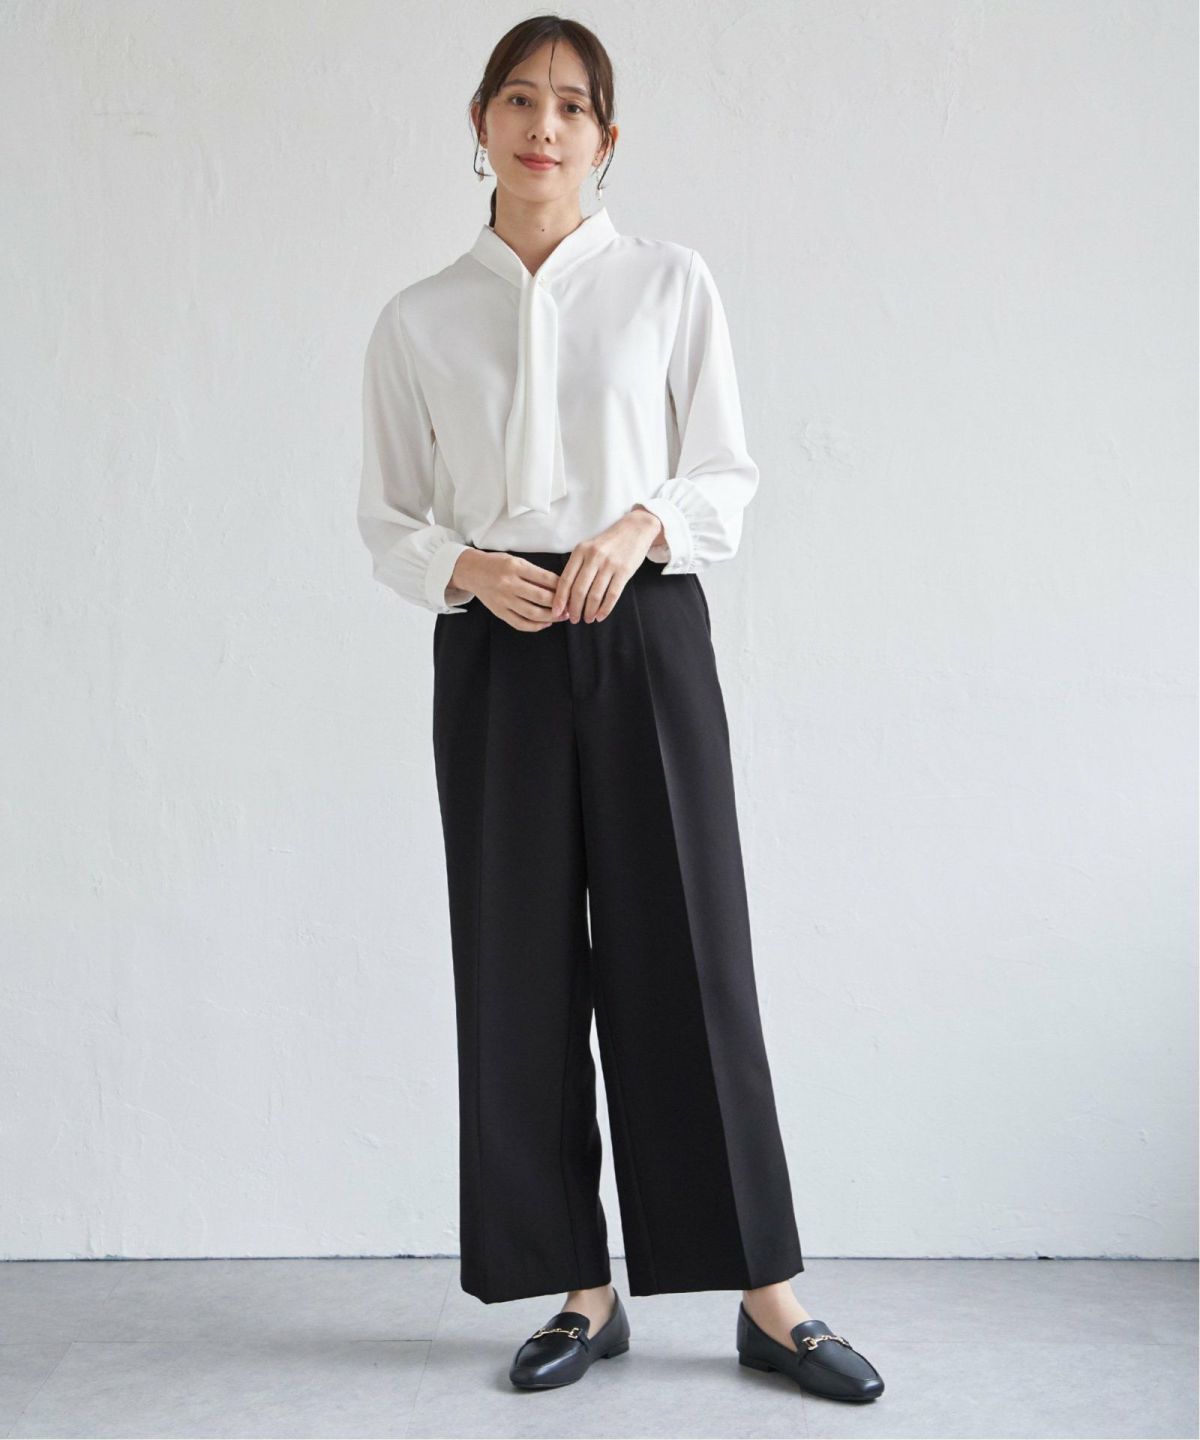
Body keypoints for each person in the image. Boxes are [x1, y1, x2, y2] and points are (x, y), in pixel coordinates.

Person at [356, 14, 884, 1405]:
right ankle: (580, 1292)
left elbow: (726, 471)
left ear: (605, 137)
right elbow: (387, 515)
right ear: (480, 121)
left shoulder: (667, 282)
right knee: (517, 964)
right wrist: (466, 566)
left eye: (573, 105)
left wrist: (642, 523)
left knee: (691, 951)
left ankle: (767, 1297)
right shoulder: (419, 317)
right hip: (495, 646)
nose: (545, 126)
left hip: (643, 627)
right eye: (520, 99)